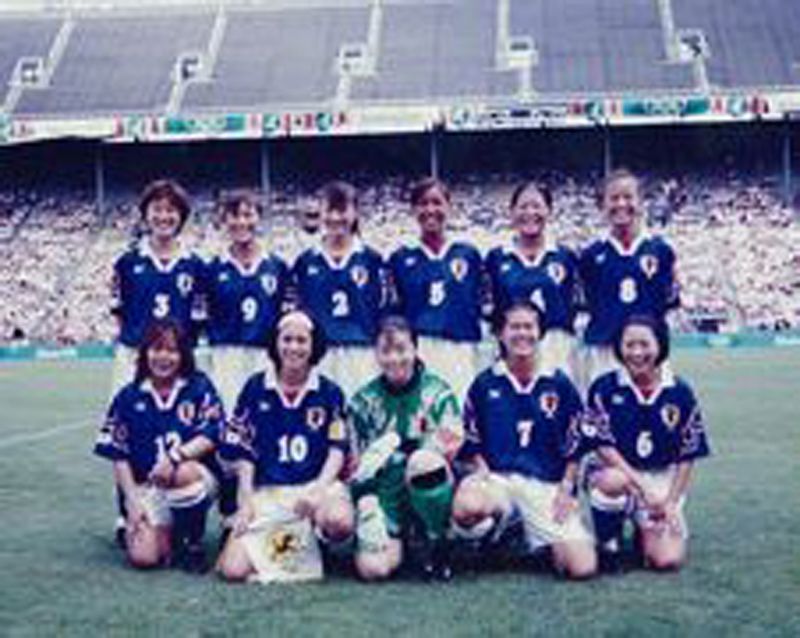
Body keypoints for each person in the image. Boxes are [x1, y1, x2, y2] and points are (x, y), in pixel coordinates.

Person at [451, 302, 597, 580]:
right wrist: (481, 471)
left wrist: (567, 488)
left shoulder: (559, 383)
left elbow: (576, 443)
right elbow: (472, 438)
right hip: (500, 482)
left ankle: (528, 538)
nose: (522, 334)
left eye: (529, 327)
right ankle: (494, 534)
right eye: (514, 327)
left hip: (545, 486)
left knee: (582, 567)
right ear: (500, 333)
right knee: (468, 505)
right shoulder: (485, 383)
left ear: (540, 332)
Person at [216, 309, 354, 583]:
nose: (294, 347)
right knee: (232, 570)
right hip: (271, 492)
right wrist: (246, 501)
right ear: (275, 342)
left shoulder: (329, 392)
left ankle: (319, 540)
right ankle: (302, 547)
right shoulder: (255, 387)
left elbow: (337, 449)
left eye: (302, 340)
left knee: (339, 520)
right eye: (287, 339)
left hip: (313, 487)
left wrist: (319, 489)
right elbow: (245, 451)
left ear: (314, 345)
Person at [583, 314, 711, 571]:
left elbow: (687, 454)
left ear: (660, 345)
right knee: (613, 480)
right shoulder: (604, 387)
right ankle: (609, 543)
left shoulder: (679, 391)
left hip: (660, 479)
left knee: (667, 560)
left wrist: (671, 501)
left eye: (644, 344)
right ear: (619, 347)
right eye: (629, 345)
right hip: (619, 474)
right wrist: (642, 487)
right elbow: (602, 445)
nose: (637, 352)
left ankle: (644, 533)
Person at [94, 319, 224, 572]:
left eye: (172, 350)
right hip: (148, 487)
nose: (163, 357)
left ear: (183, 354)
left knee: (181, 473)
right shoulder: (129, 395)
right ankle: (168, 535)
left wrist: (174, 458)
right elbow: (118, 454)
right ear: (145, 353)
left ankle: (190, 542)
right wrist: (132, 500)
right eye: (156, 349)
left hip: (192, 477)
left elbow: (213, 432)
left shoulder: (198, 386)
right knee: (144, 557)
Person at [349, 315, 464, 581]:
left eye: (401, 349)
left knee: (422, 461)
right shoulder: (362, 401)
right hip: (387, 493)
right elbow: (356, 465)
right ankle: (398, 539)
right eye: (386, 351)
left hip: (429, 491)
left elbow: (452, 446)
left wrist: (415, 450)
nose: (395, 359)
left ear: (415, 349)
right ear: (376, 354)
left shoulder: (438, 393)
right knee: (374, 569)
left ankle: (437, 541)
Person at [578, 169, 680, 390]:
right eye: (614, 198)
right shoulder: (590, 255)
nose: (621, 204)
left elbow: (669, 302)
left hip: (649, 353)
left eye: (628, 197)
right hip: (604, 351)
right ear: (603, 205)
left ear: (641, 202)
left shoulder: (661, 251)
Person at [388, 178, 484, 402]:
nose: (430, 209)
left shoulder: (469, 254)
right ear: (413, 209)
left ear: (449, 207)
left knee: (457, 411)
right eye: (423, 203)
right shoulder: (400, 258)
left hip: (460, 348)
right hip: (418, 348)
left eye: (437, 202)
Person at [110, 179, 205, 395]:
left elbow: (198, 319)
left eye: (171, 210)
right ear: (146, 215)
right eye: (157, 209)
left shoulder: (196, 266)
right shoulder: (127, 263)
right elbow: (119, 313)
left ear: (181, 216)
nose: (163, 217)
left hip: (178, 359)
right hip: (135, 357)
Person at [293, 181, 386, 397]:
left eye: (342, 210)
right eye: (330, 211)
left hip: (361, 353)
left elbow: (383, 308)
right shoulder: (305, 261)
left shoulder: (372, 259)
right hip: (319, 354)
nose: (336, 218)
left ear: (355, 213)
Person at [203, 190, 290, 415]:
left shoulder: (277, 266)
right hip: (226, 354)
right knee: (229, 414)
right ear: (224, 220)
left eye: (248, 215)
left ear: (258, 218)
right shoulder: (212, 268)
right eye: (234, 216)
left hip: (266, 353)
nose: (241, 222)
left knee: (268, 415)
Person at [486, 181, 579, 380]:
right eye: (523, 206)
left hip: (556, 345)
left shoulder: (565, 256)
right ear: (511, 212)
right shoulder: (497, 258)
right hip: (512, 343)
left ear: (549, 211)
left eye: (537, 206)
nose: (530, 212)